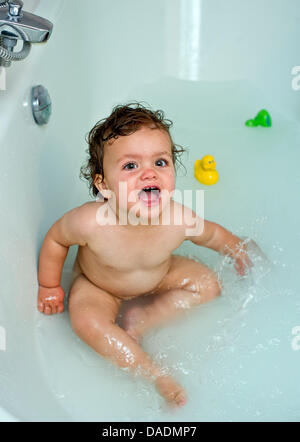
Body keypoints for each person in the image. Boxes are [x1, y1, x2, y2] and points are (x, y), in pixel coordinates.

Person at [37, 103, 252, 408]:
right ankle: (154, 374)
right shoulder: (89, 222)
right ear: (103, 185)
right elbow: (57, 240)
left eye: (160, 162)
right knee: (86, 322)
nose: (148, 173)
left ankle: (143, 319)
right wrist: (49, 286)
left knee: (208, 284)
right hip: (100, 286)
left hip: (159, 275)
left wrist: (236, 248)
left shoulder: (178, 218)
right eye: (130, 166)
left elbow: (213, 235)